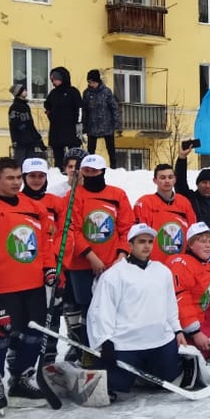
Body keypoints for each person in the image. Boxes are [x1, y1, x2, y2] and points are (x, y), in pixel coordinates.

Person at [0, 157, 53, 412]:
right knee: (1, 337)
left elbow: (45, 242)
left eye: (18, 177)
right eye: (9, 178)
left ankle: (20, 379)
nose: (15, 183)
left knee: (34, 335)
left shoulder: (34, 207)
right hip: (2, 289)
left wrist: (48, 269)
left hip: (33, 285)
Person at [87, 224, 190, 394]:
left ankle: (147, 372)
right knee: (118, 386)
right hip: (126, 343)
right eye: (141, 241)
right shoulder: (114, 275)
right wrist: (104, 341)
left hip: (159, 340)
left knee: (167, 381)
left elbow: (170, 305)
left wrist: (177, 330)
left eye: (150, 241)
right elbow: (102, 310)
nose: (147, 246)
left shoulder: (162, 271)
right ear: (130, 245)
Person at [64, 154, 134, 364]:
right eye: (87, 171)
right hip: (83, 263)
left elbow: (126, 227)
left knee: (113, 307)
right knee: (87, 307)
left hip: (113, 263)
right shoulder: (73, 195)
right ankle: (87, 350)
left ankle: (115, 349)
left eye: (95, 171)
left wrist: (122, 254)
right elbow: (72, 230)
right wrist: (91, 256)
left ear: (103, 172)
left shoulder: (117, 194)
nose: (91, 175)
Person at [20, 156, 71, 364]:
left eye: (41, 176)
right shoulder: (18, 201)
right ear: (24, 177)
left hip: (53, 268)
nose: (37, 180)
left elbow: (66, 232)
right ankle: (22, 363)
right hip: (27, 269)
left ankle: (48, 358)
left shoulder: (55, 203)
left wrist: (58, 258)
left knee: (52, 315)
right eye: (32, 176)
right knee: (27, 318)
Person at [165, 222, 210, 355]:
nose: (208, 245)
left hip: (201, 320)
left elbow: (207, 297)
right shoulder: (181, 264)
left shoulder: (205, 265)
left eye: (209, 241)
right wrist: (195, 332)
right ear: (190, 244)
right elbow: (181, 300)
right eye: (202, 241)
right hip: (185, 326)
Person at [134, 164, 198, 261]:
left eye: (170, 177)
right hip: (153, 263)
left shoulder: (184, 202)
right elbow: (137, 235)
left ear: (175, 179)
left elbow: (193, 232)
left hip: (178, 263)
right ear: (155, 180)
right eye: (162, 178)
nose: (167, 181)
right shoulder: (145, 202)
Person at [174, 147, 210, 229]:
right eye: (204, 182)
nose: (207, 186)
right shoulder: (189, 199)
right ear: (197, 184)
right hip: (193, 240)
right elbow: (180, 182)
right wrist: (182, 158)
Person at [43, 67, 82, 169]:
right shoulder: (53, 93)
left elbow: (80, 109)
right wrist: (50, 115)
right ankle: (59, 172)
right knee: (58, 156)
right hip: (57, 130)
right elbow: (47, 105)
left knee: (74, 155)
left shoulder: (73, 92)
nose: (53, 81)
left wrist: (79, 124)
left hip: (71, 129)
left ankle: (74, 171)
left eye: (55, 79)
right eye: (52, 79)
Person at [81, 69, 121, 164]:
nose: (91, 84)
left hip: (106, 124)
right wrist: (84, 125)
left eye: (93, 82)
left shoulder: (106, 92)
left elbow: (114, 107)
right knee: (91, 148)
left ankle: (113, 166)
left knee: (110, 147)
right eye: (89, 82)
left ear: (97, 81)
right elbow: (84, 110)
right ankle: (90, 164)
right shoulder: (87, 93)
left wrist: (116, 123)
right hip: (92, 125)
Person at [8, 83, 46, 162]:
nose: (26, 91)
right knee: (20, 163)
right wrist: (24, 131)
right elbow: (14, 124)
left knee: (30, 163)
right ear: (19, 93)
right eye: (23, 90)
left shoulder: (25, 106)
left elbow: (31, 125)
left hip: (30, 141)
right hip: (20, 142)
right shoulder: (14, 107)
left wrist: (37, 138)